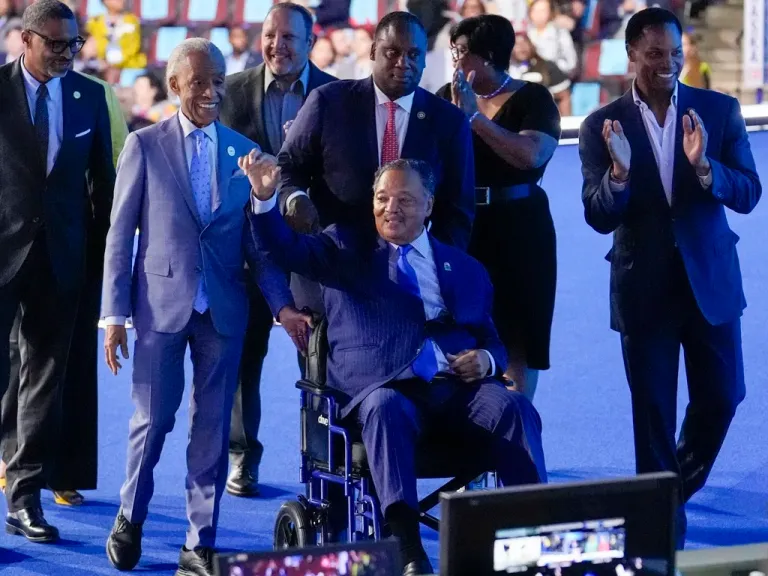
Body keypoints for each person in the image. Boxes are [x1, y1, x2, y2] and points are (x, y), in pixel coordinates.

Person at [245, 155, 547, 576]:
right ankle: (407, 548)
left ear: (429, 205)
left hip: (458, 392)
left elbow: (492, 339)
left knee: (515, 408)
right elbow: (281, 246)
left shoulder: (464, 267)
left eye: (405, 199)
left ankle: (534, 538)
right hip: (383, 391)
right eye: (383, 198)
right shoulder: (344, 248)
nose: (392, 208)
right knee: (387, 407)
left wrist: (487, 359)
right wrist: (263, 197)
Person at [100, 38, 292, 576]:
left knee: (210, 430)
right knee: (154, 421)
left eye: (219, 82)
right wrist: (113, 316)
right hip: (159, 310)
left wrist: (264, 200)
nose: (212, 92)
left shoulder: (242, 151)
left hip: (224, 312)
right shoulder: (143, 145)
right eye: (201, 82)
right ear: (176, 85)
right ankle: (129, 516)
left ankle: (199, 541)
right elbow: (120, 237)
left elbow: (256, 242)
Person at [578, 8, 761, 548]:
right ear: (631, 54)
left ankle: (661, 500)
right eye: (655, 54)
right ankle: (662, 539)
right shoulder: (600, 125)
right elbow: (596, 215)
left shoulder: (718, 110)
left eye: (675, 53)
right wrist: (618, 174)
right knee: (653, 420)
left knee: (723, 400)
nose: (668, 63)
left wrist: (707, 168)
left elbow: (749, 193)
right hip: (644, 292)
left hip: (711, 286)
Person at [0, 0, 114, 543]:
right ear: (26, 40)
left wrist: (106, 264)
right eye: (56, 44)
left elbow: (103, 189)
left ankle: (25, 496)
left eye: (75, 45)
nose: (68, 54)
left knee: (45, 378)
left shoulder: (89, 97)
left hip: (62, 261)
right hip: (0, 257)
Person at [278, 10, 475, 312]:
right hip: (333, 273)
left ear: (424, 59)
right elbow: (288, 166)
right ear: (372, 51)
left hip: (413, 282)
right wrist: (294, 198)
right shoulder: (328, 102)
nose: (403, 63)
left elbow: (457, 209)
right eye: (392, 52)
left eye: (413, 54)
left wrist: (437, 269)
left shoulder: (448, 121)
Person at [219, 1, 335, 499]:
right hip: (246, 249)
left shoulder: (336, 94)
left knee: (322, 359)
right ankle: (242, 458)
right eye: (270, 36)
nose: (277, 46)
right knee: (244, 360)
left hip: (313, 255)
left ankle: (328, 459)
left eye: (289, 37)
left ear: (310, 43)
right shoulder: (233, 91)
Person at [439, 15, 559, 400]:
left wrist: (474, 118)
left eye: (461, 52)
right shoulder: (446, 96)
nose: (455, 61)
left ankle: (516, 436)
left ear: (488, 56)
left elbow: (531, 155)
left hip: (521, 227)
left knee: (517, 334)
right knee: (462, 326)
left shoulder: (533, 98)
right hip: (462, 226)